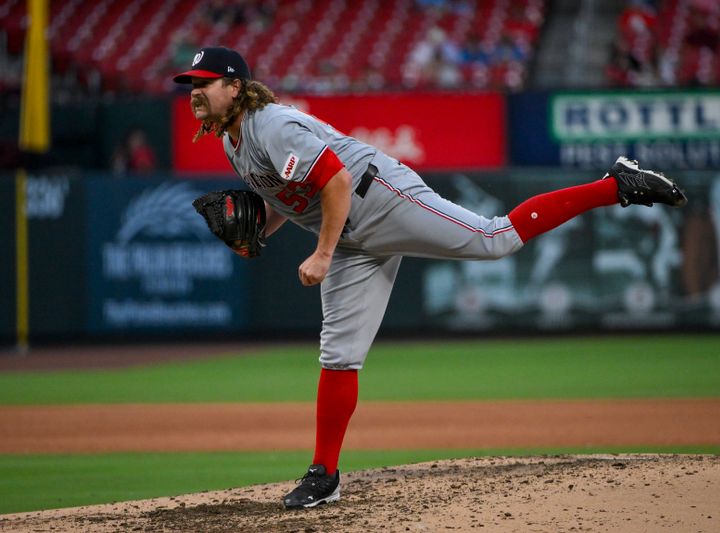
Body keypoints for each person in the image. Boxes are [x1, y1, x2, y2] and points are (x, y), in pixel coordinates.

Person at [173, 46, 688, 509]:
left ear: (235, 87)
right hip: (349, 235)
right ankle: (323, 473)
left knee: (494, 239)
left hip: (378, 197)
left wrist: (323, 252)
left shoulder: (271, 125)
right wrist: (259, 227)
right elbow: (286, 193)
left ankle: (613, 184)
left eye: (205, 83)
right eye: (191, 85)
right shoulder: (232, 142)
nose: (196, 93)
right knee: (339, 355)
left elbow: (334, 178)